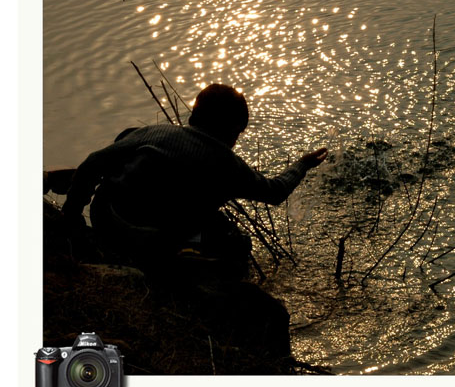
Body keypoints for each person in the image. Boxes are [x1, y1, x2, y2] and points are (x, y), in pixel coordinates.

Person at [62, 83, 327, 276]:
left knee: (124, 161)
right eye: (238, 133)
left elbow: (92, 164)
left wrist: (72, 215)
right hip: (153, 239)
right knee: (236, 242)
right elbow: (275, 191)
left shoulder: (153, 133)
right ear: (233, 130)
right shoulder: (227, 163)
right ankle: (194, 276)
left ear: (194, 116)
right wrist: (303, 164)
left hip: (106, 219)